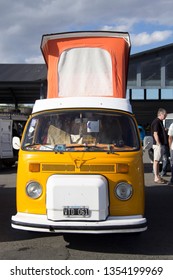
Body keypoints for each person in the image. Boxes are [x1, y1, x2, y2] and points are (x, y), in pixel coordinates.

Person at [151, 108, 168, 184]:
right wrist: (158, 143)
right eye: (165, 115)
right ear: (160, 114)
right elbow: (155, 134)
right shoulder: (156, 122)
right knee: (156, 161)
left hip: (160, 144)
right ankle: (156, 177)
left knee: (158, 161)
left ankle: (158, 176)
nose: (165, 116)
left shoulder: (160, 122)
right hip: (157, 145)